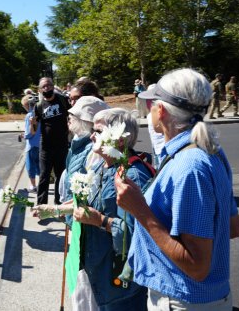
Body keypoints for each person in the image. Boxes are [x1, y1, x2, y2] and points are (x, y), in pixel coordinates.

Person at [115, 68, 239, 310]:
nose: (150, 108)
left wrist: (140, 210)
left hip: (182, 300)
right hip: (201, 298)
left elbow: (196, 266)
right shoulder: (210, 150)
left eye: (152, 103)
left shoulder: (189, 166)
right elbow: (233, 227)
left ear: (161, 110)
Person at [33, 108, 151, 310]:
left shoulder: (132, 176)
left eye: (98, 130)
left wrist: (101, 221)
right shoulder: (100, 167)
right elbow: (84, 204)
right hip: (98, 274)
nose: (92, 135)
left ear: (120, 140)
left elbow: (135, 235)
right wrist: (55, 210)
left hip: (120, 286)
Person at [31, 77, 71, 205]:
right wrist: (33, 124)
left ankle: (59, 204)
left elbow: (71, 116)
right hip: (46, 146)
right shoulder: (38, 106)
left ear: (53, 86)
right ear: (40, 89)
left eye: (48, 85)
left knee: (60, 175)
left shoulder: (63, 100)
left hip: (62, 144)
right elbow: (33, 131)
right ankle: (41, 207)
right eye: (43, 86)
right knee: (44, 176)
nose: (46, 87)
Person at [61, 96, 109, 203]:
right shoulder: (78, 143)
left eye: (72, 115)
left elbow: (93, 193)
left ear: (84, 121)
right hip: (74, 211)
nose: (69, 118)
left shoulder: (94, 150)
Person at [21, 94, 41, 192]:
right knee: (39, 165)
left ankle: (33, 186)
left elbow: (30, 132)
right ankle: (42, 184)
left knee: (30, 166)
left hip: (31, 144)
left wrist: (24, 135)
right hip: (40, 144)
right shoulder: (40, 113)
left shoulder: (29, 115)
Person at [145, 84, 165, 169]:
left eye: (152, 99)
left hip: (163, 148)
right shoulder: (150, 115)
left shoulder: (162, 113)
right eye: (148, 99)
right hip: (156, 146)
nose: (149, 102)